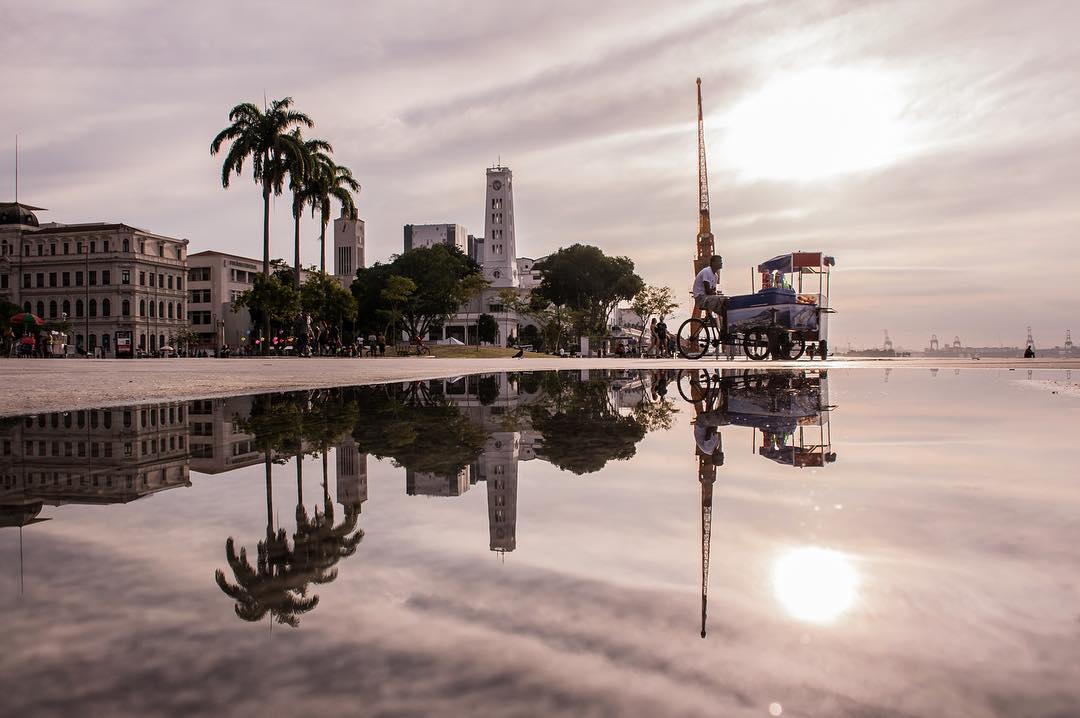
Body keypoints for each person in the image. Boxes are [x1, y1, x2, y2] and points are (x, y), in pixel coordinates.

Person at [692, 255, 728, 334]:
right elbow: (708, 291)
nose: (721, 263)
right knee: (724, 299)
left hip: (707, 298)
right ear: (713, 263)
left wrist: (712, 292)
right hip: (700, 298)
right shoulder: (706, 272)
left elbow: (712, 291)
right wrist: (712, 292)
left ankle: (724, 331)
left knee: (724, 311)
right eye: (719, 262)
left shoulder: (715, 276)